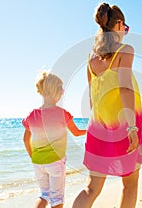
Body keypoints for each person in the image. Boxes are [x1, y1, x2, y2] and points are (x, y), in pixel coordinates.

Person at [72, 3, 142, 208]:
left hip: (98, 128)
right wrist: (132, 128)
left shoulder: (91, 59)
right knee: (130, 184)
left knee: (92, 188)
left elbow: (92, 98)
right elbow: (125, 90)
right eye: (125, 28)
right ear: (119, 24)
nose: (125, 32)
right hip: (126, 124)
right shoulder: (125, 50)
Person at [22, 71, 86, 208]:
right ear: (55, 92)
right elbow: (76, 133)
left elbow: (25, 139)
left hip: (38, 162)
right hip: (55, 162)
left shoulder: (31, 115)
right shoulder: (62, 114)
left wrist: (33, 156)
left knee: (44, 195)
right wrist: (90, 130)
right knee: (57, 199)